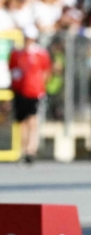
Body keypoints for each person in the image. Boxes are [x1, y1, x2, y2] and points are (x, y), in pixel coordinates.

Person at [9, 26, 52, 164]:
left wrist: (40, 87)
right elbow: (13, 70)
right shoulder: (17, 53)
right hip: (20, 91)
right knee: (22, 122)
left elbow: (46, 72)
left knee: (32, 120)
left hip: (34, 91)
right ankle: (23, 150)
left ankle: (31, 150)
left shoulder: (40, 53)